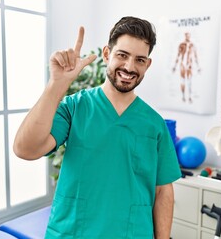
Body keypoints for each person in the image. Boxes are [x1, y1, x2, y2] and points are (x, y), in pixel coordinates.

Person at [13, 16, 181, 239]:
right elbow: (25, 149)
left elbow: (163, 191)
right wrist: (57, 85)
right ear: (106, 54)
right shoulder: (75, 107)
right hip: (74, 233)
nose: (130, 67)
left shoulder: (154, 123)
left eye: (140, 60)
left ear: (147, 64)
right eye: (122, 55)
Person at [172, 32, 201, 103]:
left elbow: (195, 56)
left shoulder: (192, 45)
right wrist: (175, 66)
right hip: (182, 64)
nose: (188, 37)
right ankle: (183, 96)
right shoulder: (181, 45)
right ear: (185, 36)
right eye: (186, 36)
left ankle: (190, 96)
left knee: (189, 81)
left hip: (189, 65)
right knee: (182, 80)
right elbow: (178, 56)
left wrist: (198, 67)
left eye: (189, 36)